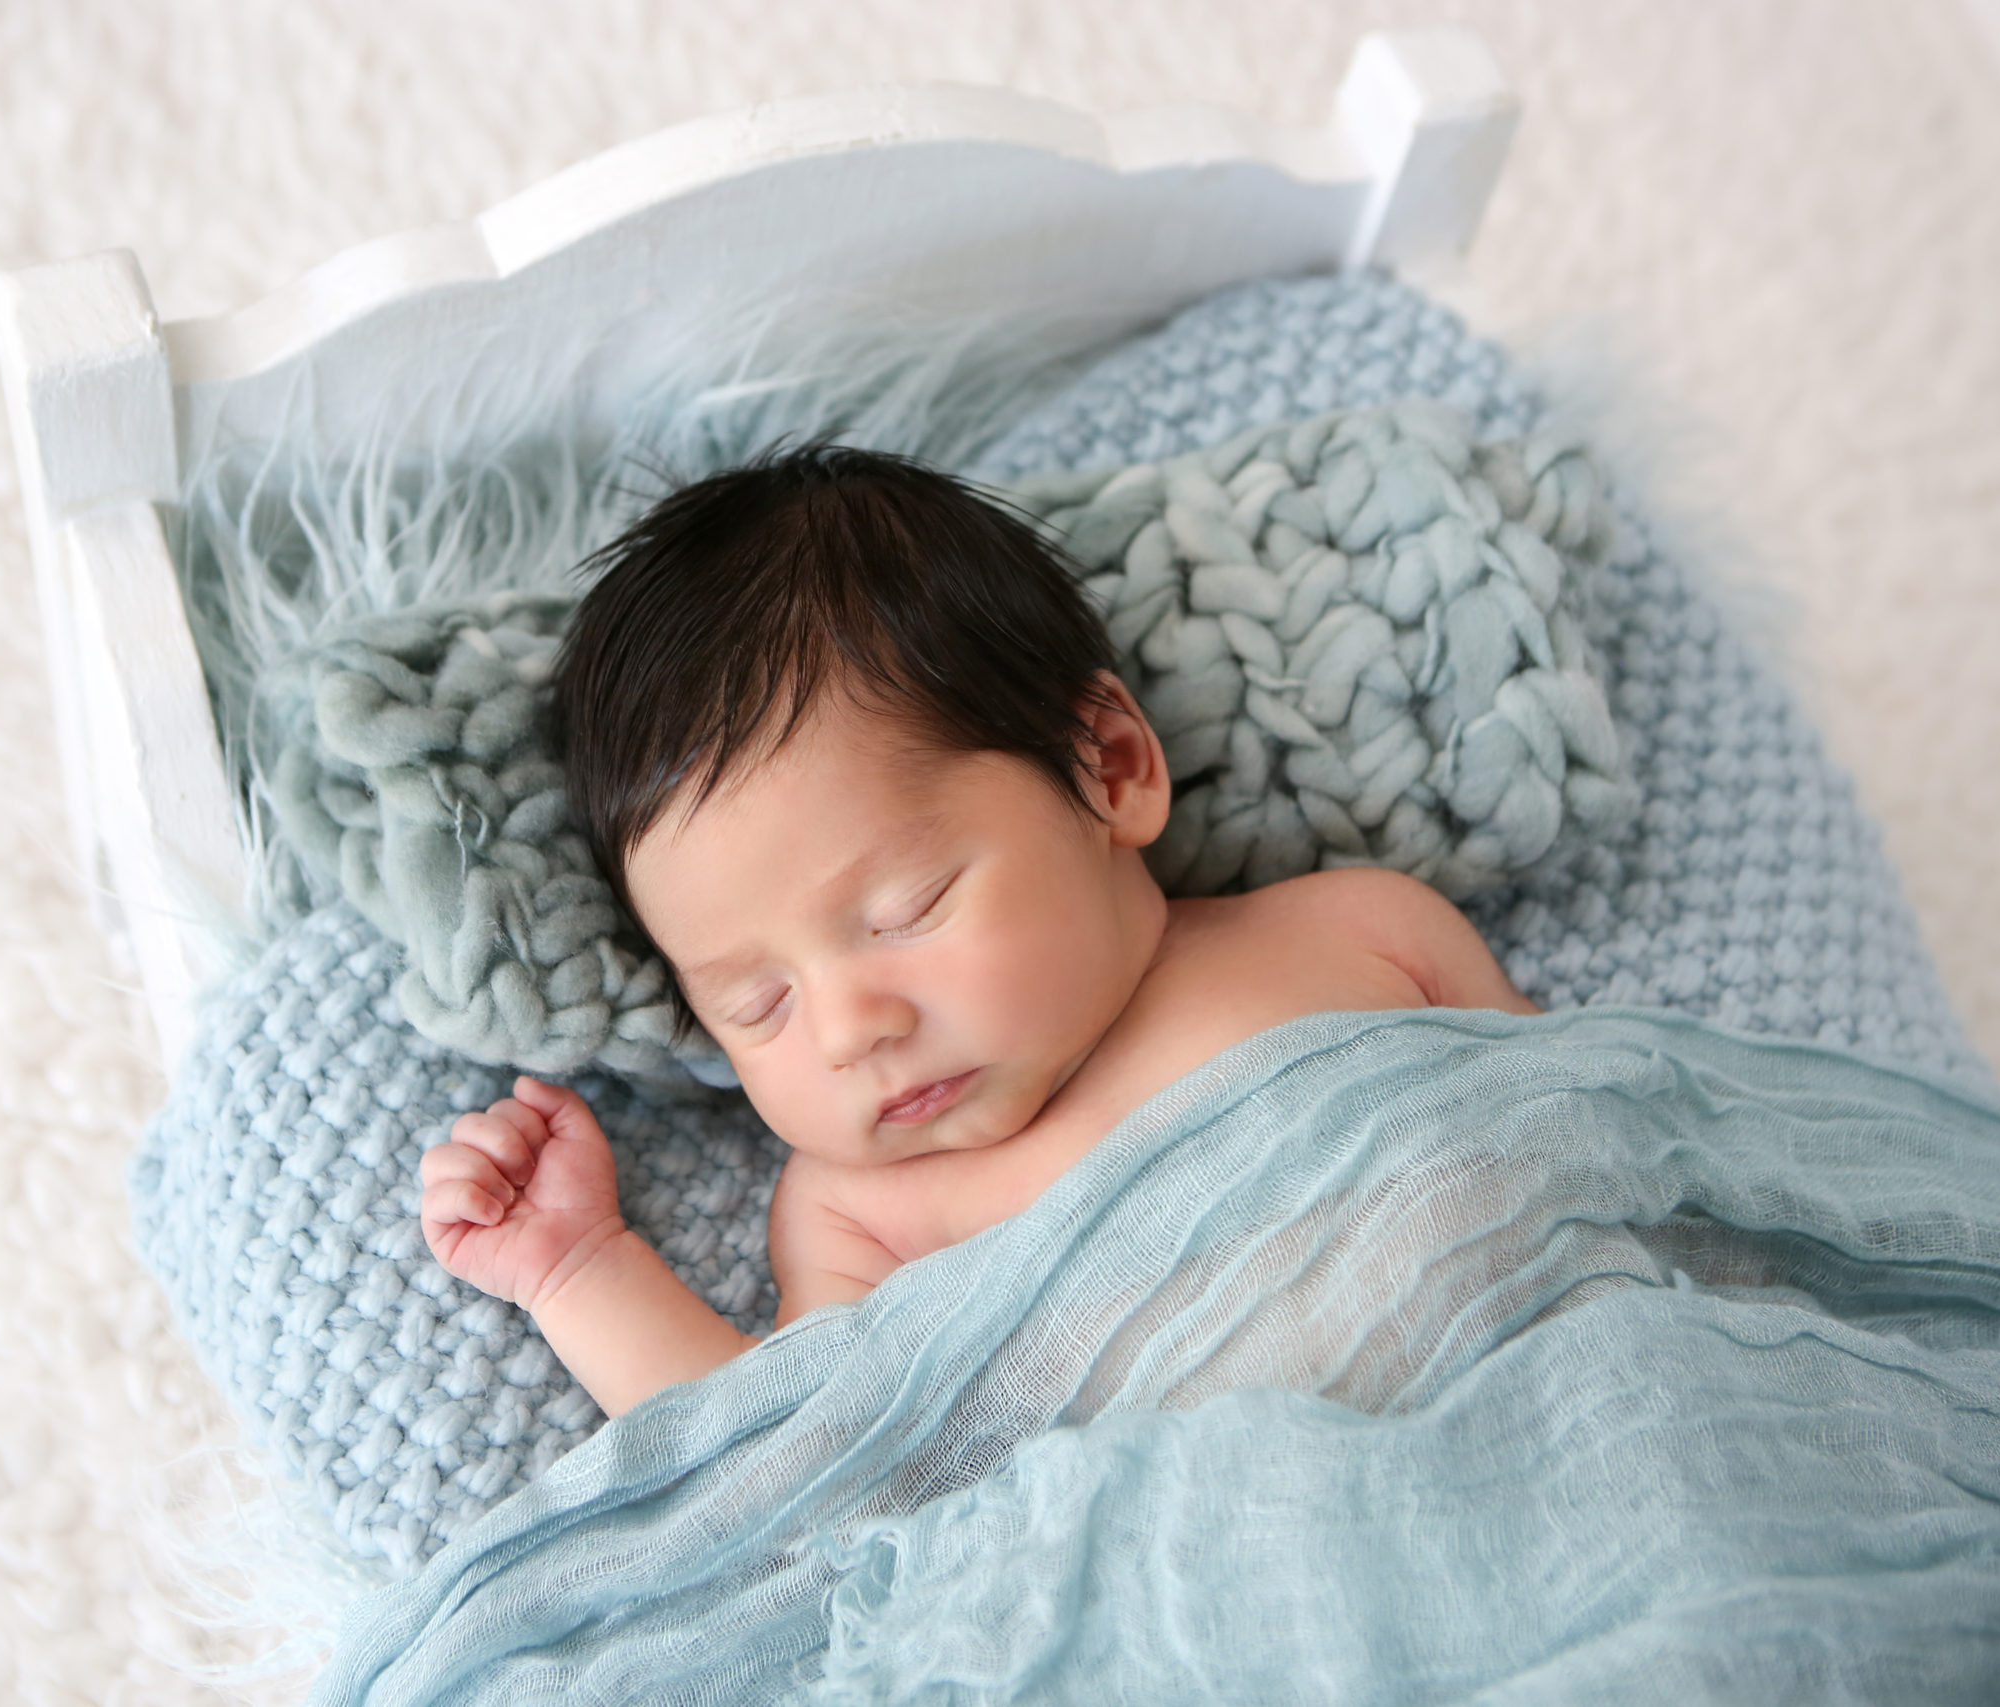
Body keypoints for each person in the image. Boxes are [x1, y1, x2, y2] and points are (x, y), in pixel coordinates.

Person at [419, 444, 1538, 1417]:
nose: (849, 1031)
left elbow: (1593, 1118)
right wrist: (582, 1272)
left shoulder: (1357, 933)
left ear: (1108, 769)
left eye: (905, 912)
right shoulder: (861, 1211)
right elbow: (794, 1460)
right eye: (757, 1003)